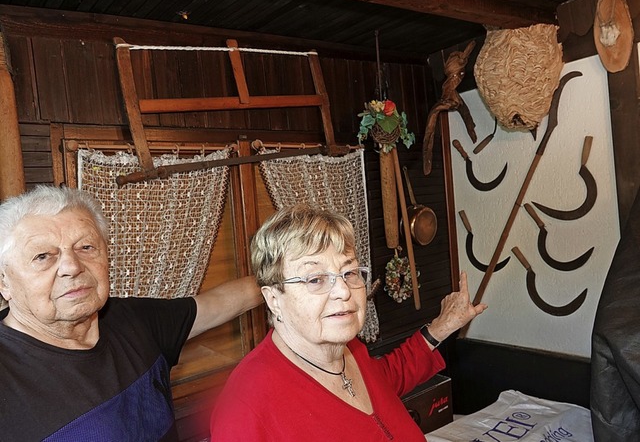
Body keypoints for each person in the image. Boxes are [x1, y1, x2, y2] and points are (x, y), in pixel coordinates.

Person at [0, 185, 262, 441]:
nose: (72, 266)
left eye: (86, 247)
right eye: (43, 256)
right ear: (4, 282)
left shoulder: (132, 320)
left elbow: (218, 304)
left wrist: (286, 280)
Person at [209, 204, 487, 441]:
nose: (344, 291)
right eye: (315, 279)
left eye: (350, 272)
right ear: (273, 299)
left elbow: (384, 381)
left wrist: (443, 326)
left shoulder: (348, 348)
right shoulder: (245, 409)